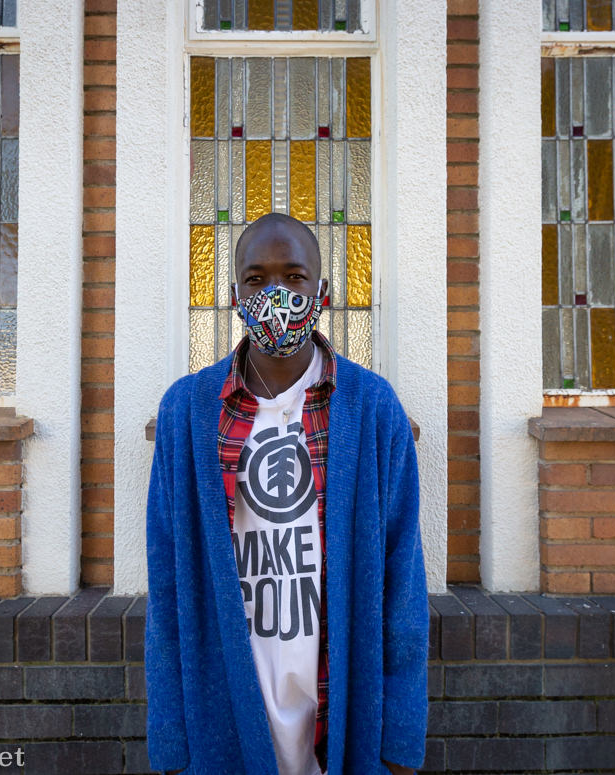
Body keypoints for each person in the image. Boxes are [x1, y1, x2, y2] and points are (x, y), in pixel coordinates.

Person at [145, 213, 427, 775]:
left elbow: (403, 583)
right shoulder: (187, 414)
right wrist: (171, 743)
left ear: (322, 293)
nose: (276, 294)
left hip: (342, 721)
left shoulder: (372, 411)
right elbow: (168, 586)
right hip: (225, 712)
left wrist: (399, 740)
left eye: (294, 277)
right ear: (233, 296)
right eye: (256, 279)